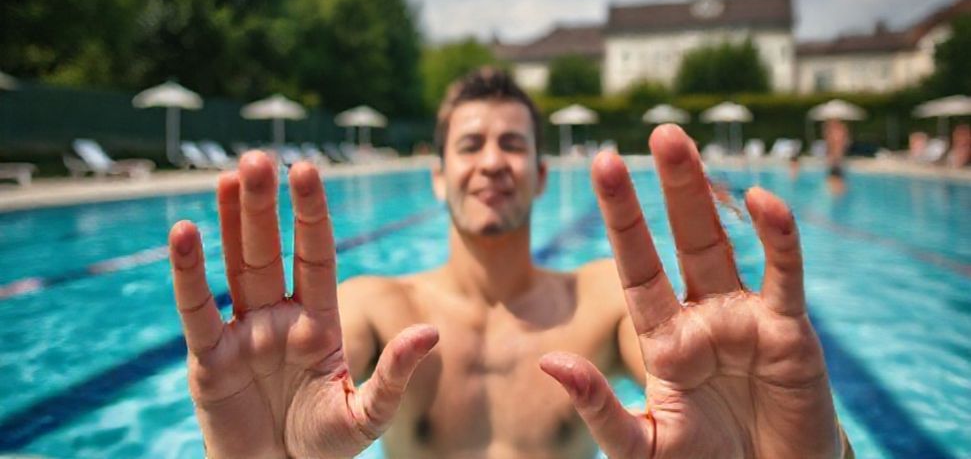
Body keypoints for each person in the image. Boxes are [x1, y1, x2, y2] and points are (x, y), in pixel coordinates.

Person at [167, 68, 853, 458]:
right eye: (470, 144)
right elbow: (297, 378)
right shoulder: (376, 307)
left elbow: (705, 384)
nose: (491, 160)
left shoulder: (603, 303)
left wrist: (809, 452)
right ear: (437, 176)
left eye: (512, 144)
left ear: (543, 175)